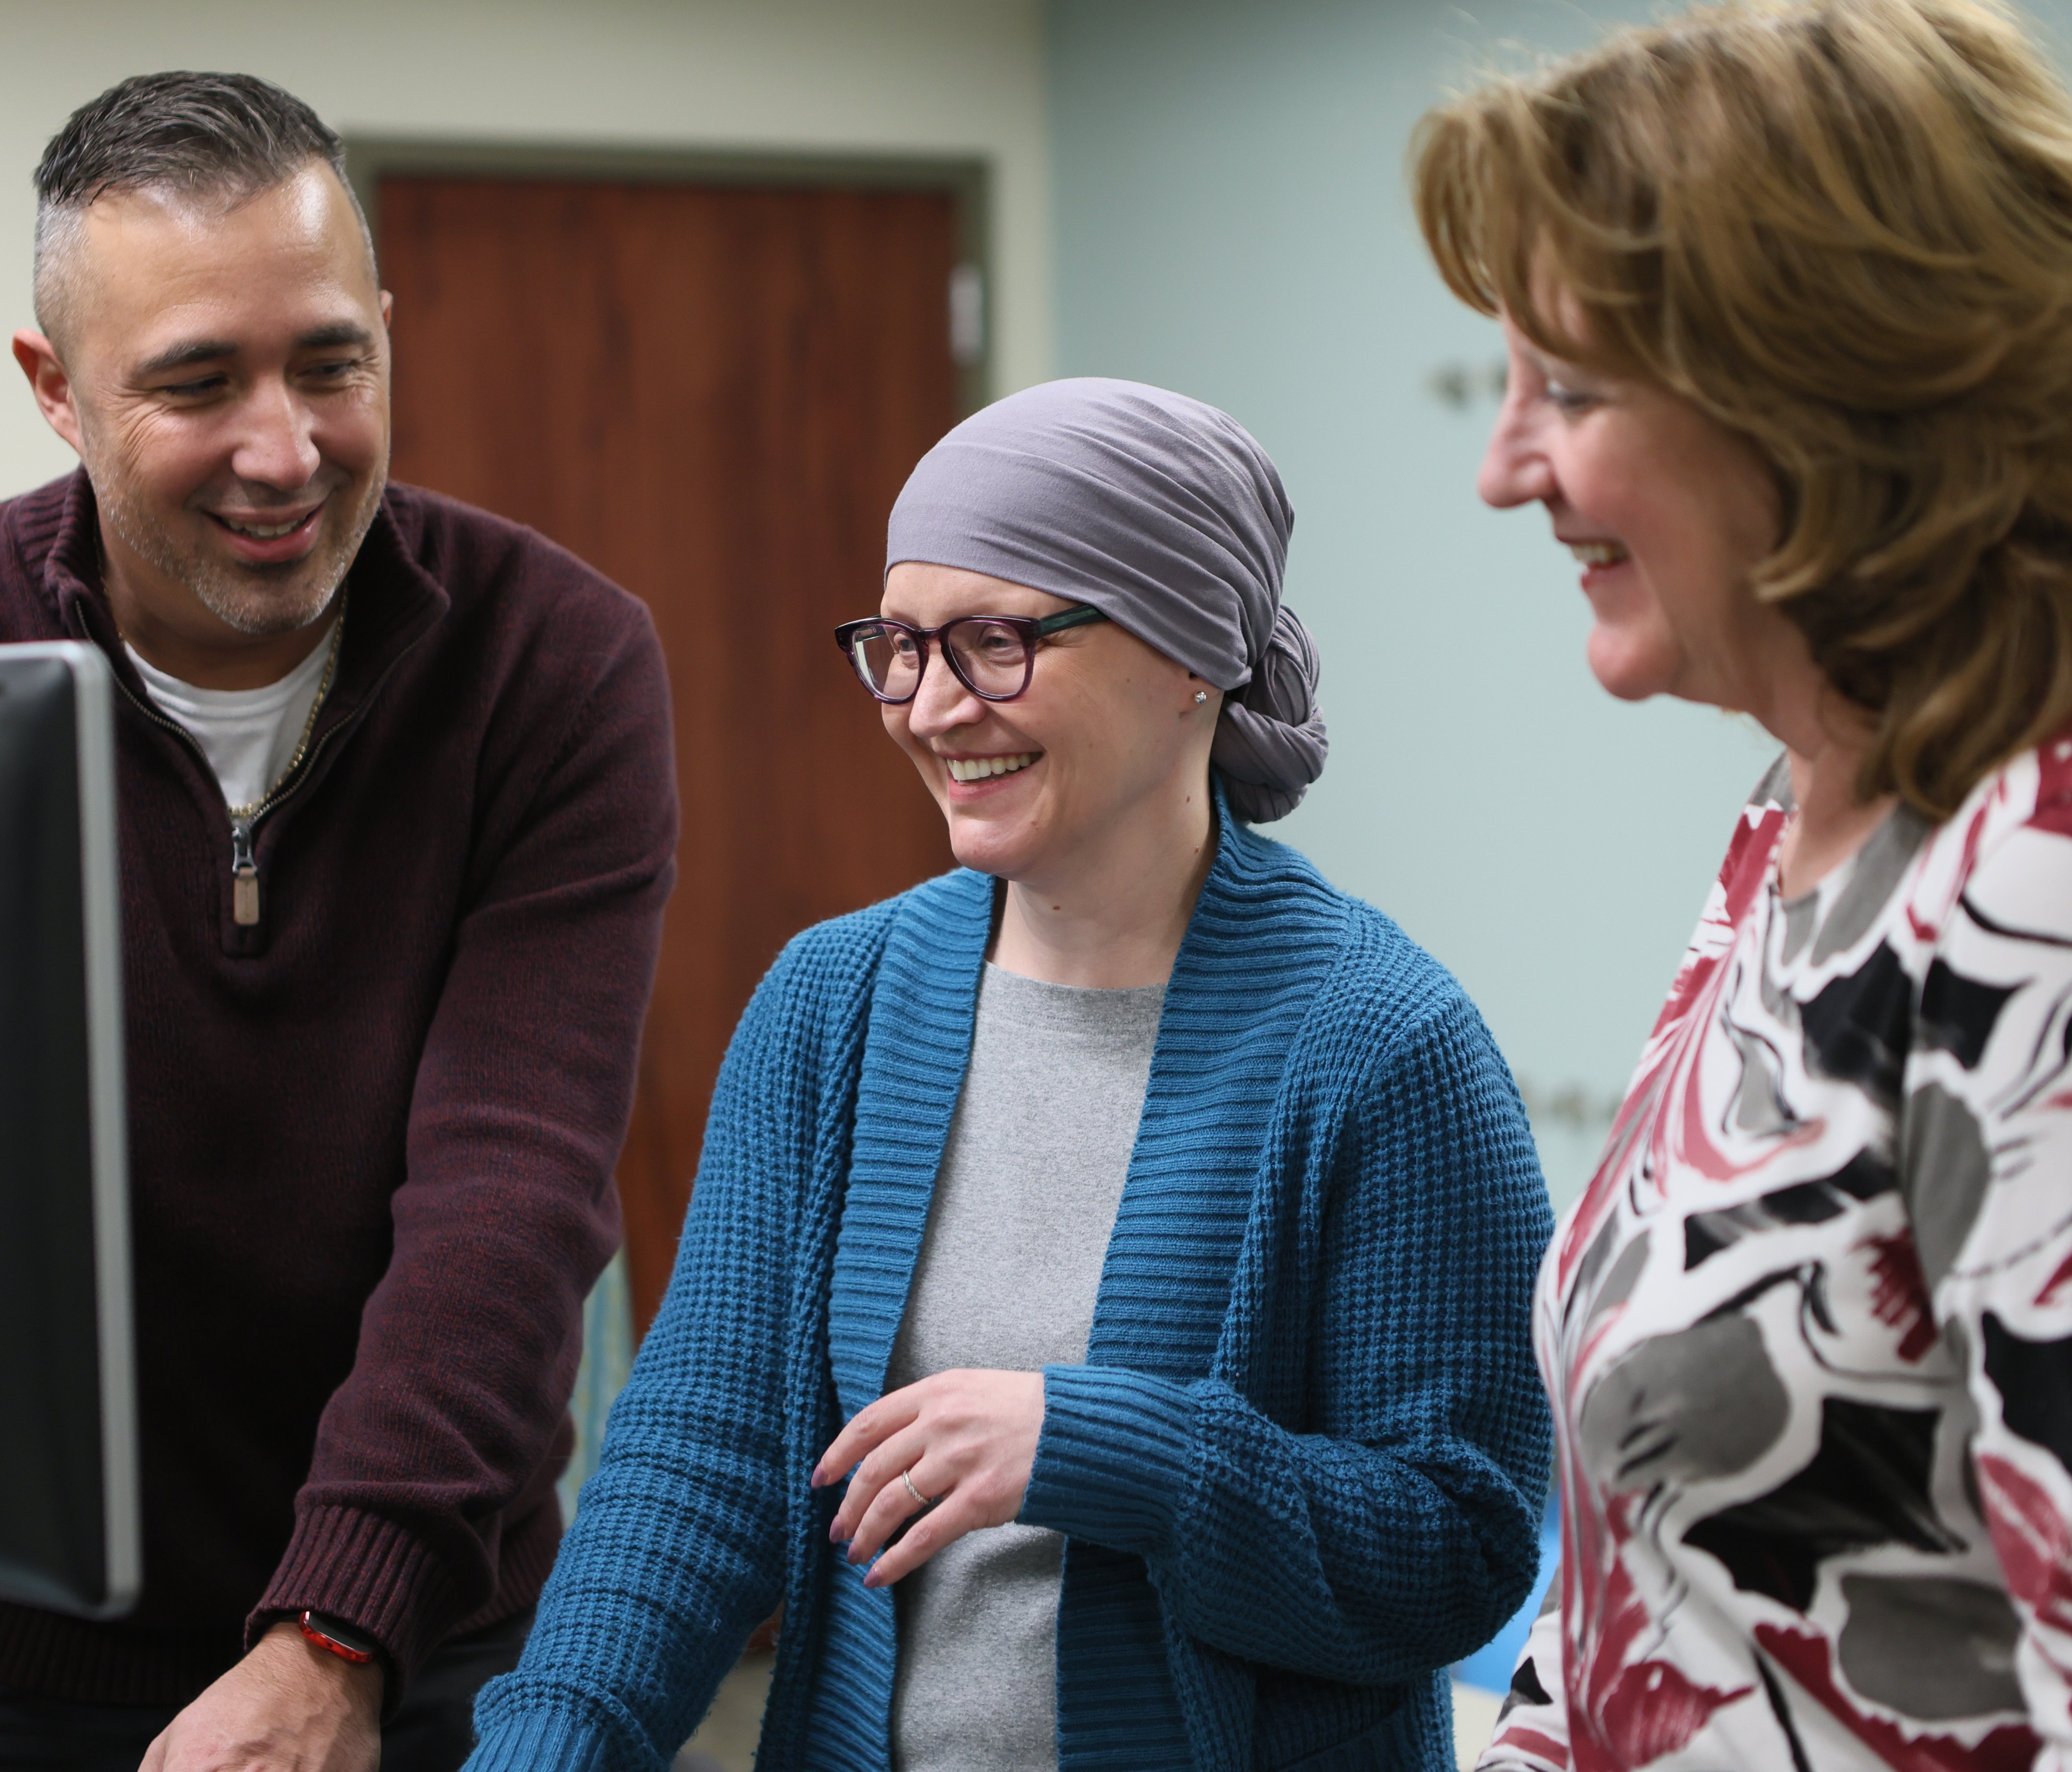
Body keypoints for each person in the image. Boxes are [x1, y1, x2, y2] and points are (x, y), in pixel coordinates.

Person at [0, 72, 676, 1772]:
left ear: (387, 331)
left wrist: (339, 1634)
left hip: (420, 1635)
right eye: (198, 382)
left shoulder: (552, 664)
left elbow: (509, 1195)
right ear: (54, 391)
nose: (283, 450)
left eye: (331, 363)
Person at [1412, 2, 2072, 1768]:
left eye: (1573, 391)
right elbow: (1654, 1585)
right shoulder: (1814, 812)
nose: (1504, 466)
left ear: (1820, 394)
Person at [464, 377, 1555, 1772]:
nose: (929, 707)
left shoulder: (1381, 1046)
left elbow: (1459, 1554)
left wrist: (1105, 1448)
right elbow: (700, 1466)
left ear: (1188, 657)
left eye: (993, 642)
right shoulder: (831, 1007)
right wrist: (549, 1747)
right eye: (900, 648)